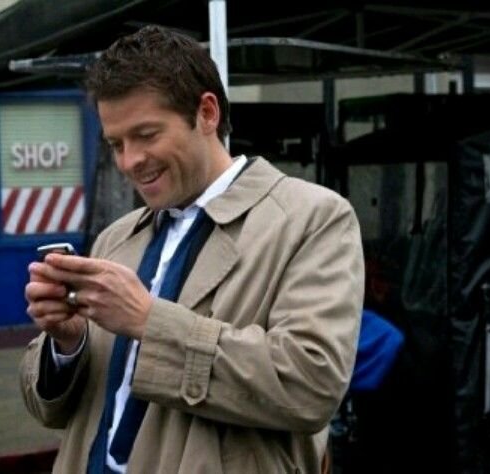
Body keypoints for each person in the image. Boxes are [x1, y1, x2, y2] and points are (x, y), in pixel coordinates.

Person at [20, 25, 364, 474]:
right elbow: (55, 411)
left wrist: (149, 321)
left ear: (206, 113)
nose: (129, 161)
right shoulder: (116, 238)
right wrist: (68, 343)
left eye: (147, 134)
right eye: (116, 144)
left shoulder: (312, 219)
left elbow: (311, 385)